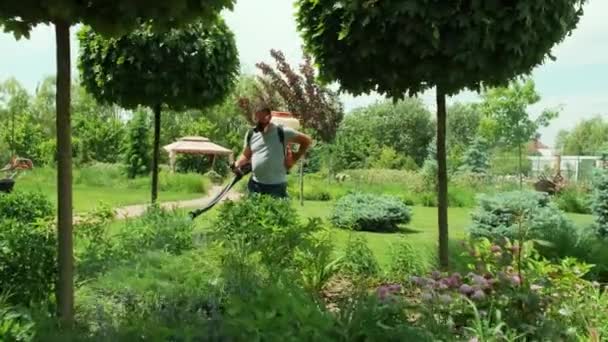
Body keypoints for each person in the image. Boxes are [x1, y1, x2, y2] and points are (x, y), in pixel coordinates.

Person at [233, 106, 312, 198]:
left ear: (269, 117)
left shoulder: (282, 132)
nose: (259, 123)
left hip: (276, 186)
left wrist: (293, 159)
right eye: (257, 119)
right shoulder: (251, 134)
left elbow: (306, 141)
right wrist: (238, 163)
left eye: (262, 119)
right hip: (255, 185)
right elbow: (246, 155)